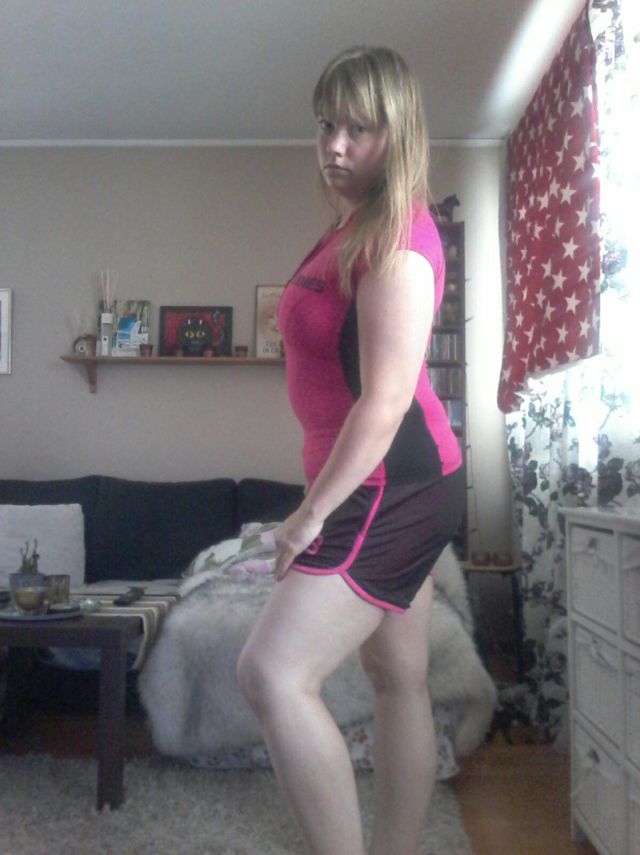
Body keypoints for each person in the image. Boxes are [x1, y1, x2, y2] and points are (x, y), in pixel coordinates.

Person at [237, 45, 464, 855]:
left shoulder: (397, 239)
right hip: (394, 477)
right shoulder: (354, 226)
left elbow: (387, 399)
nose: (334, 145)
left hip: (390, 483)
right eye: (326, 125)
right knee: (397, 677)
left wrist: (309, 516)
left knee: (271, 672)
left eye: (357, 129)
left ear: (396, 132)